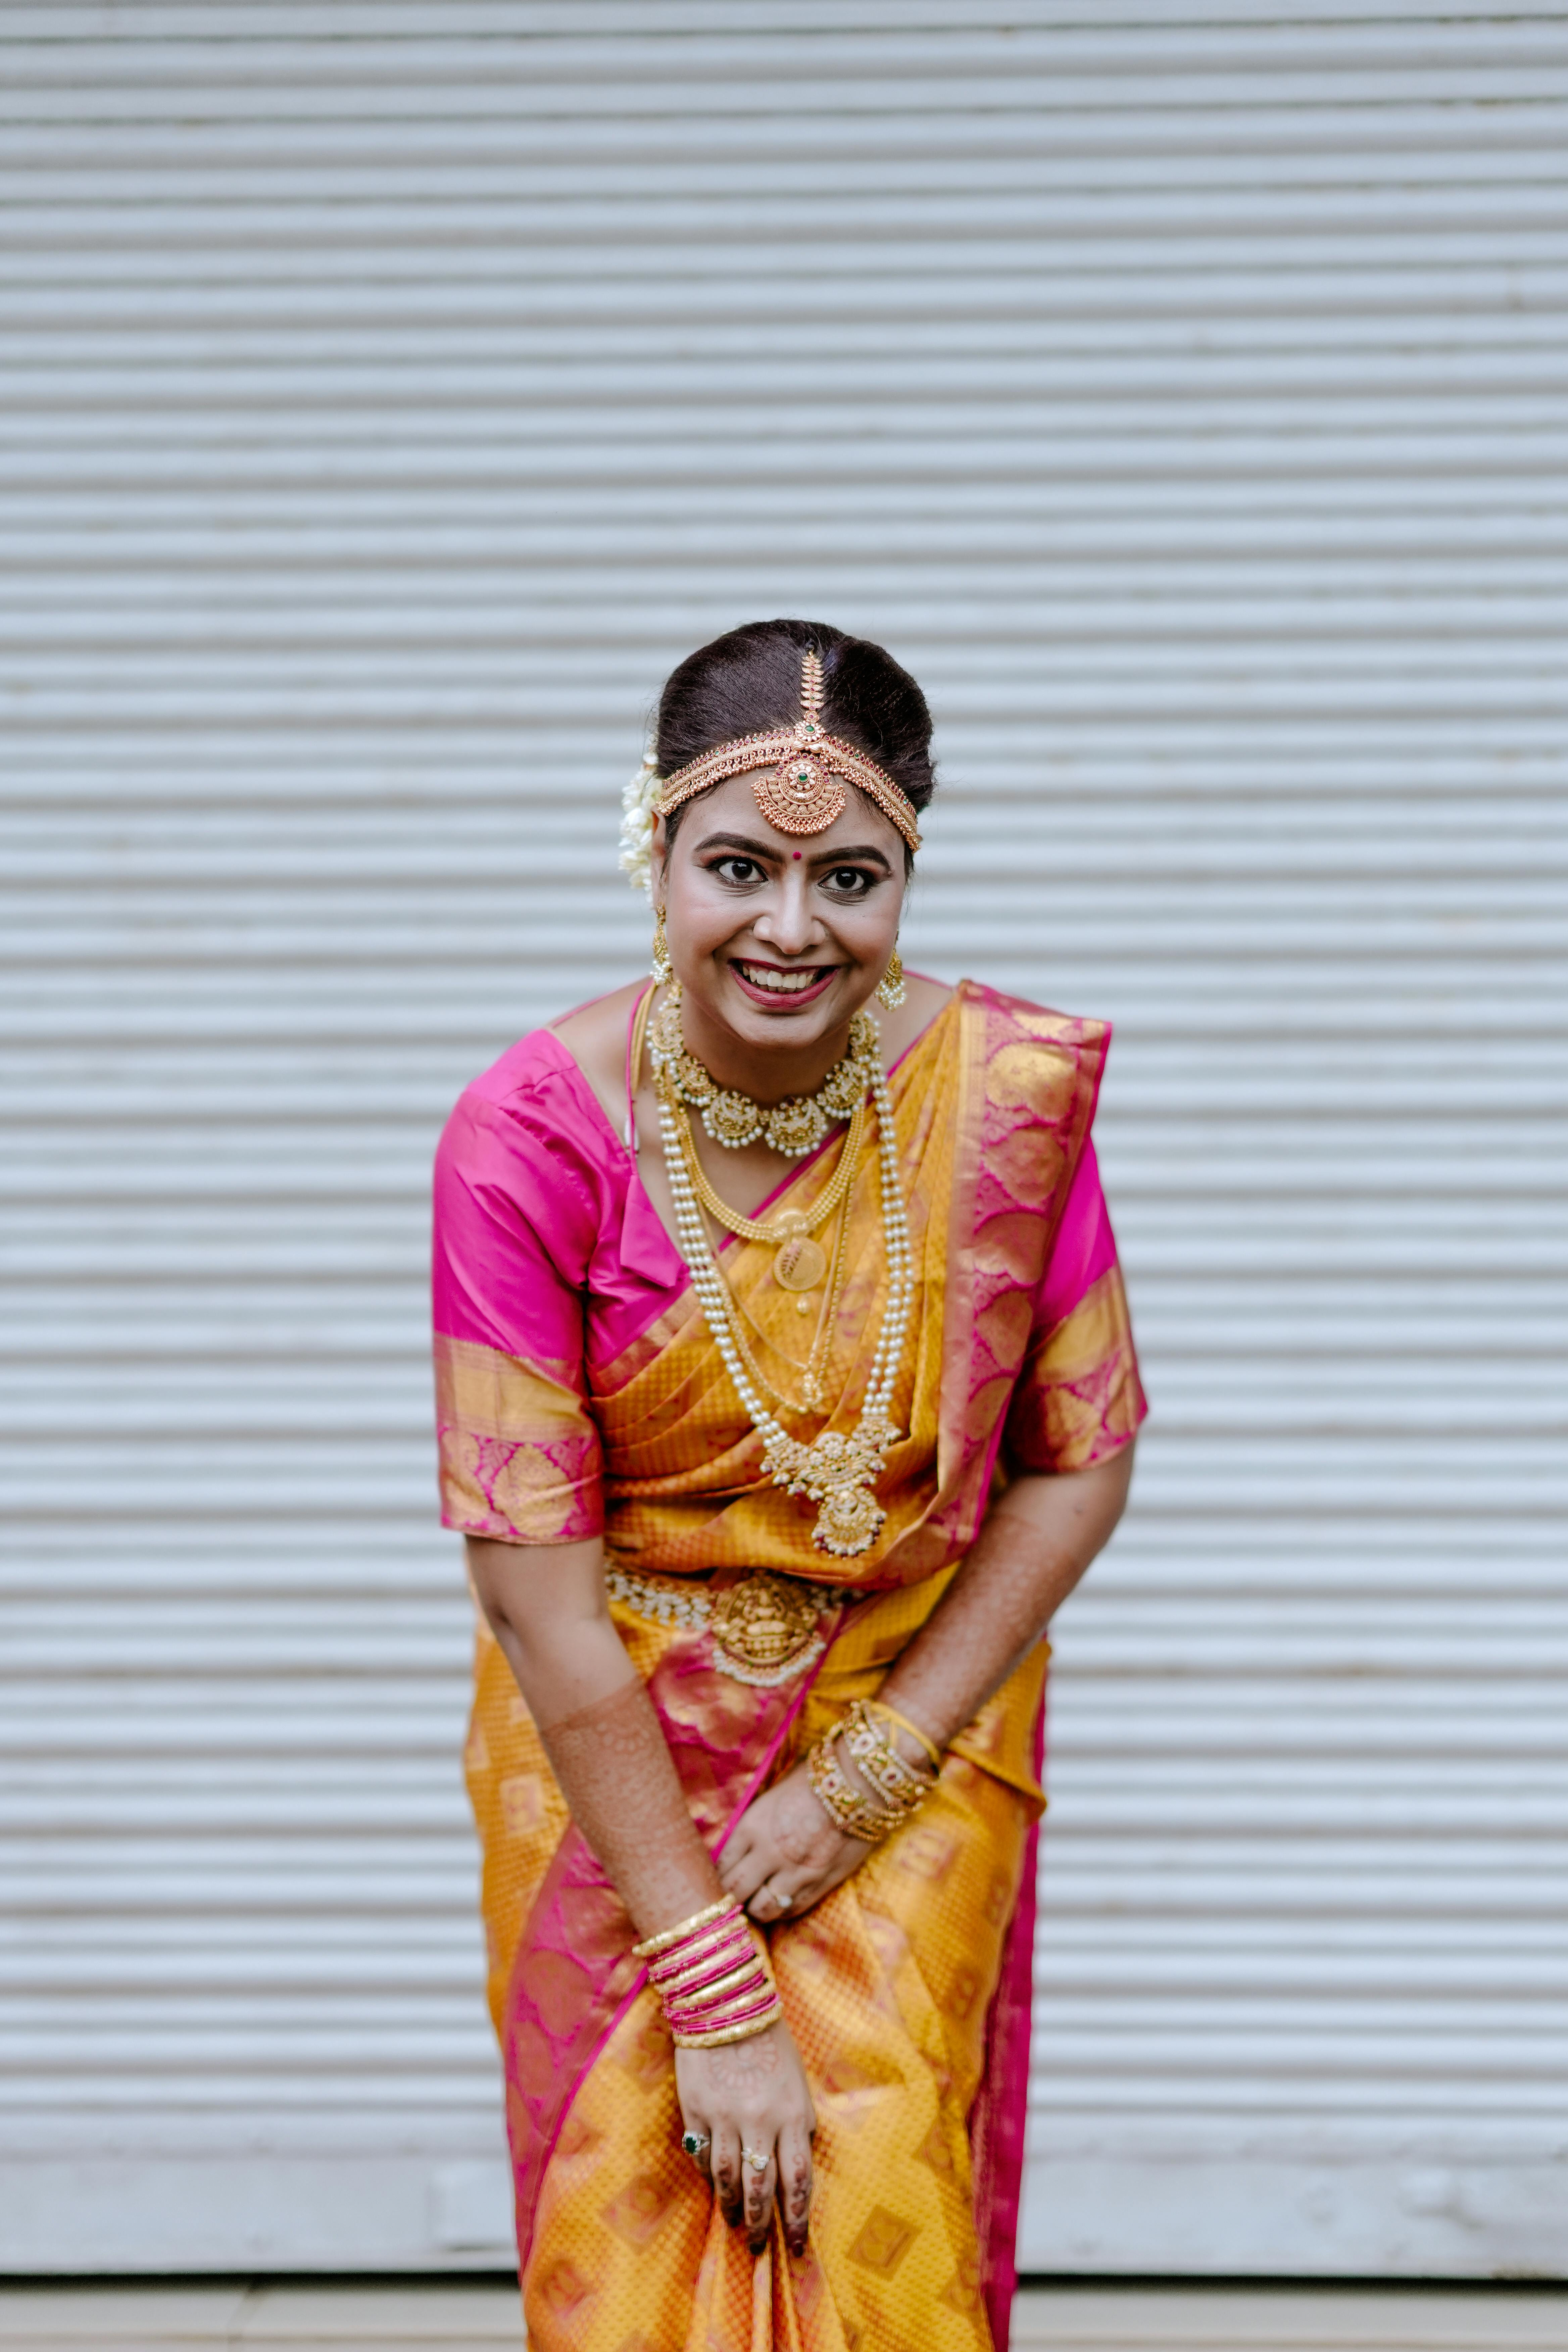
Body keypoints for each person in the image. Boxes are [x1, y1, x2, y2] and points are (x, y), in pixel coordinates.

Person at [432, 618, 1146, 2352]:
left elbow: (1086, 1457)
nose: (791, 927)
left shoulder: (1000, 1106)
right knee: (630, 2235)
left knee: (878, 2188)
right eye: (737, 865)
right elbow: (532, 1587)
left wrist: (876, 1772)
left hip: (912, 1727)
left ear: (908, 872)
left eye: (853, 877)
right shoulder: (528, 1143)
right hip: (615, 1760)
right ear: (651, 851)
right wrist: (704, 1968)